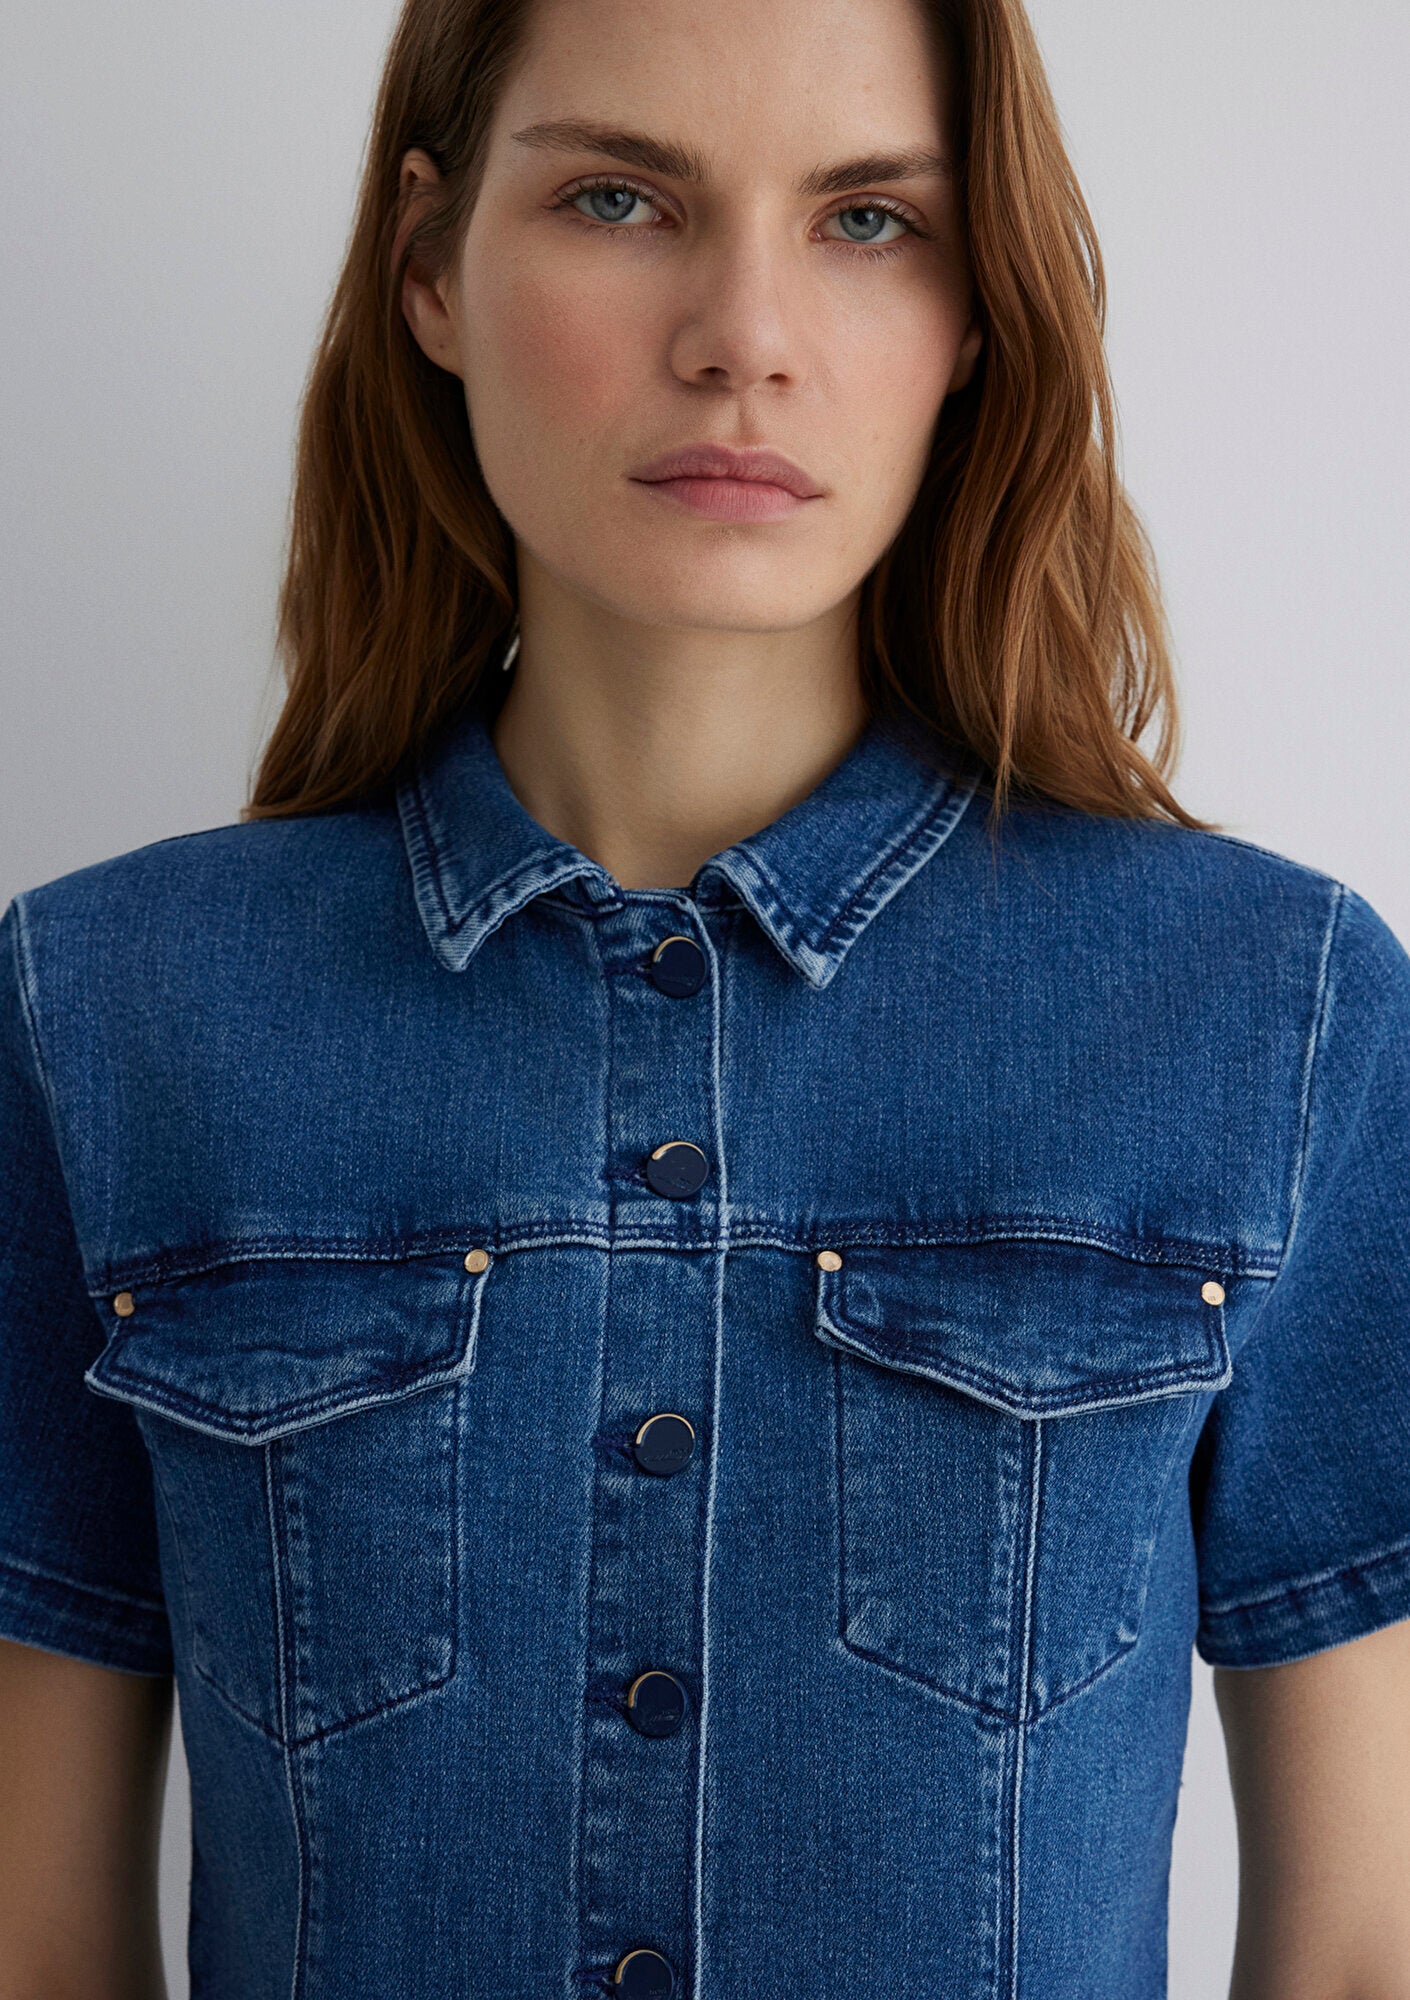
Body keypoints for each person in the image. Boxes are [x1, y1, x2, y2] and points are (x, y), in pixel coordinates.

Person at [2, 0, 1408, 1993]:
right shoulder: (105, 1015)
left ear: (976, 314)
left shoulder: (1276, 1018)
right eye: (617, 198)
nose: (744, 335)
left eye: (867, 221)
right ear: (429, 269)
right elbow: (36, 1935)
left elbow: (1362, 1945)